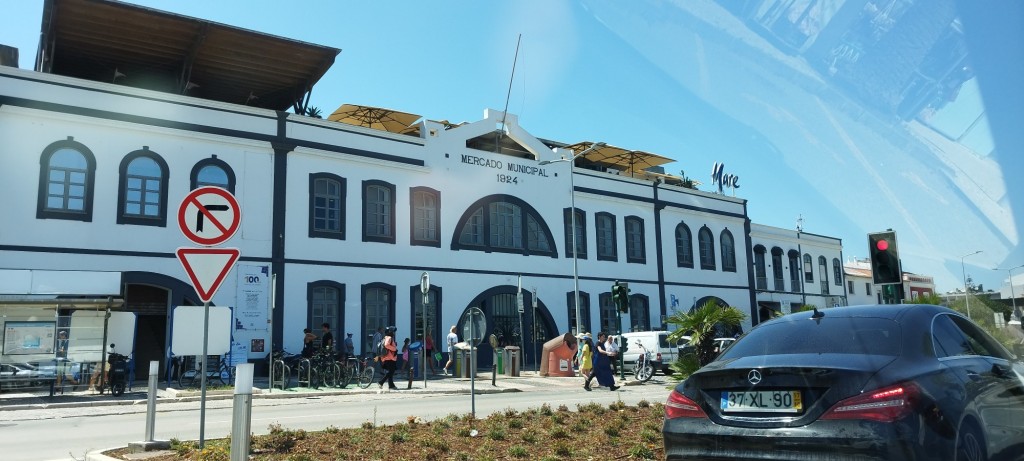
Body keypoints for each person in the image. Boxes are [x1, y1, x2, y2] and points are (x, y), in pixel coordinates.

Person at [377, 326, 399, 392]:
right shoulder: (389, 338)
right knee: (391, 371)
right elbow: (386, 345)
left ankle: (391, 385)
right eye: (393, 332)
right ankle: (381, 382)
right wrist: (394, 348)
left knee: (390, 372)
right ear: (390, 332)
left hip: (387, 357)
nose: (394, 333)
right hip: (389, 357)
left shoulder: (386, 338)